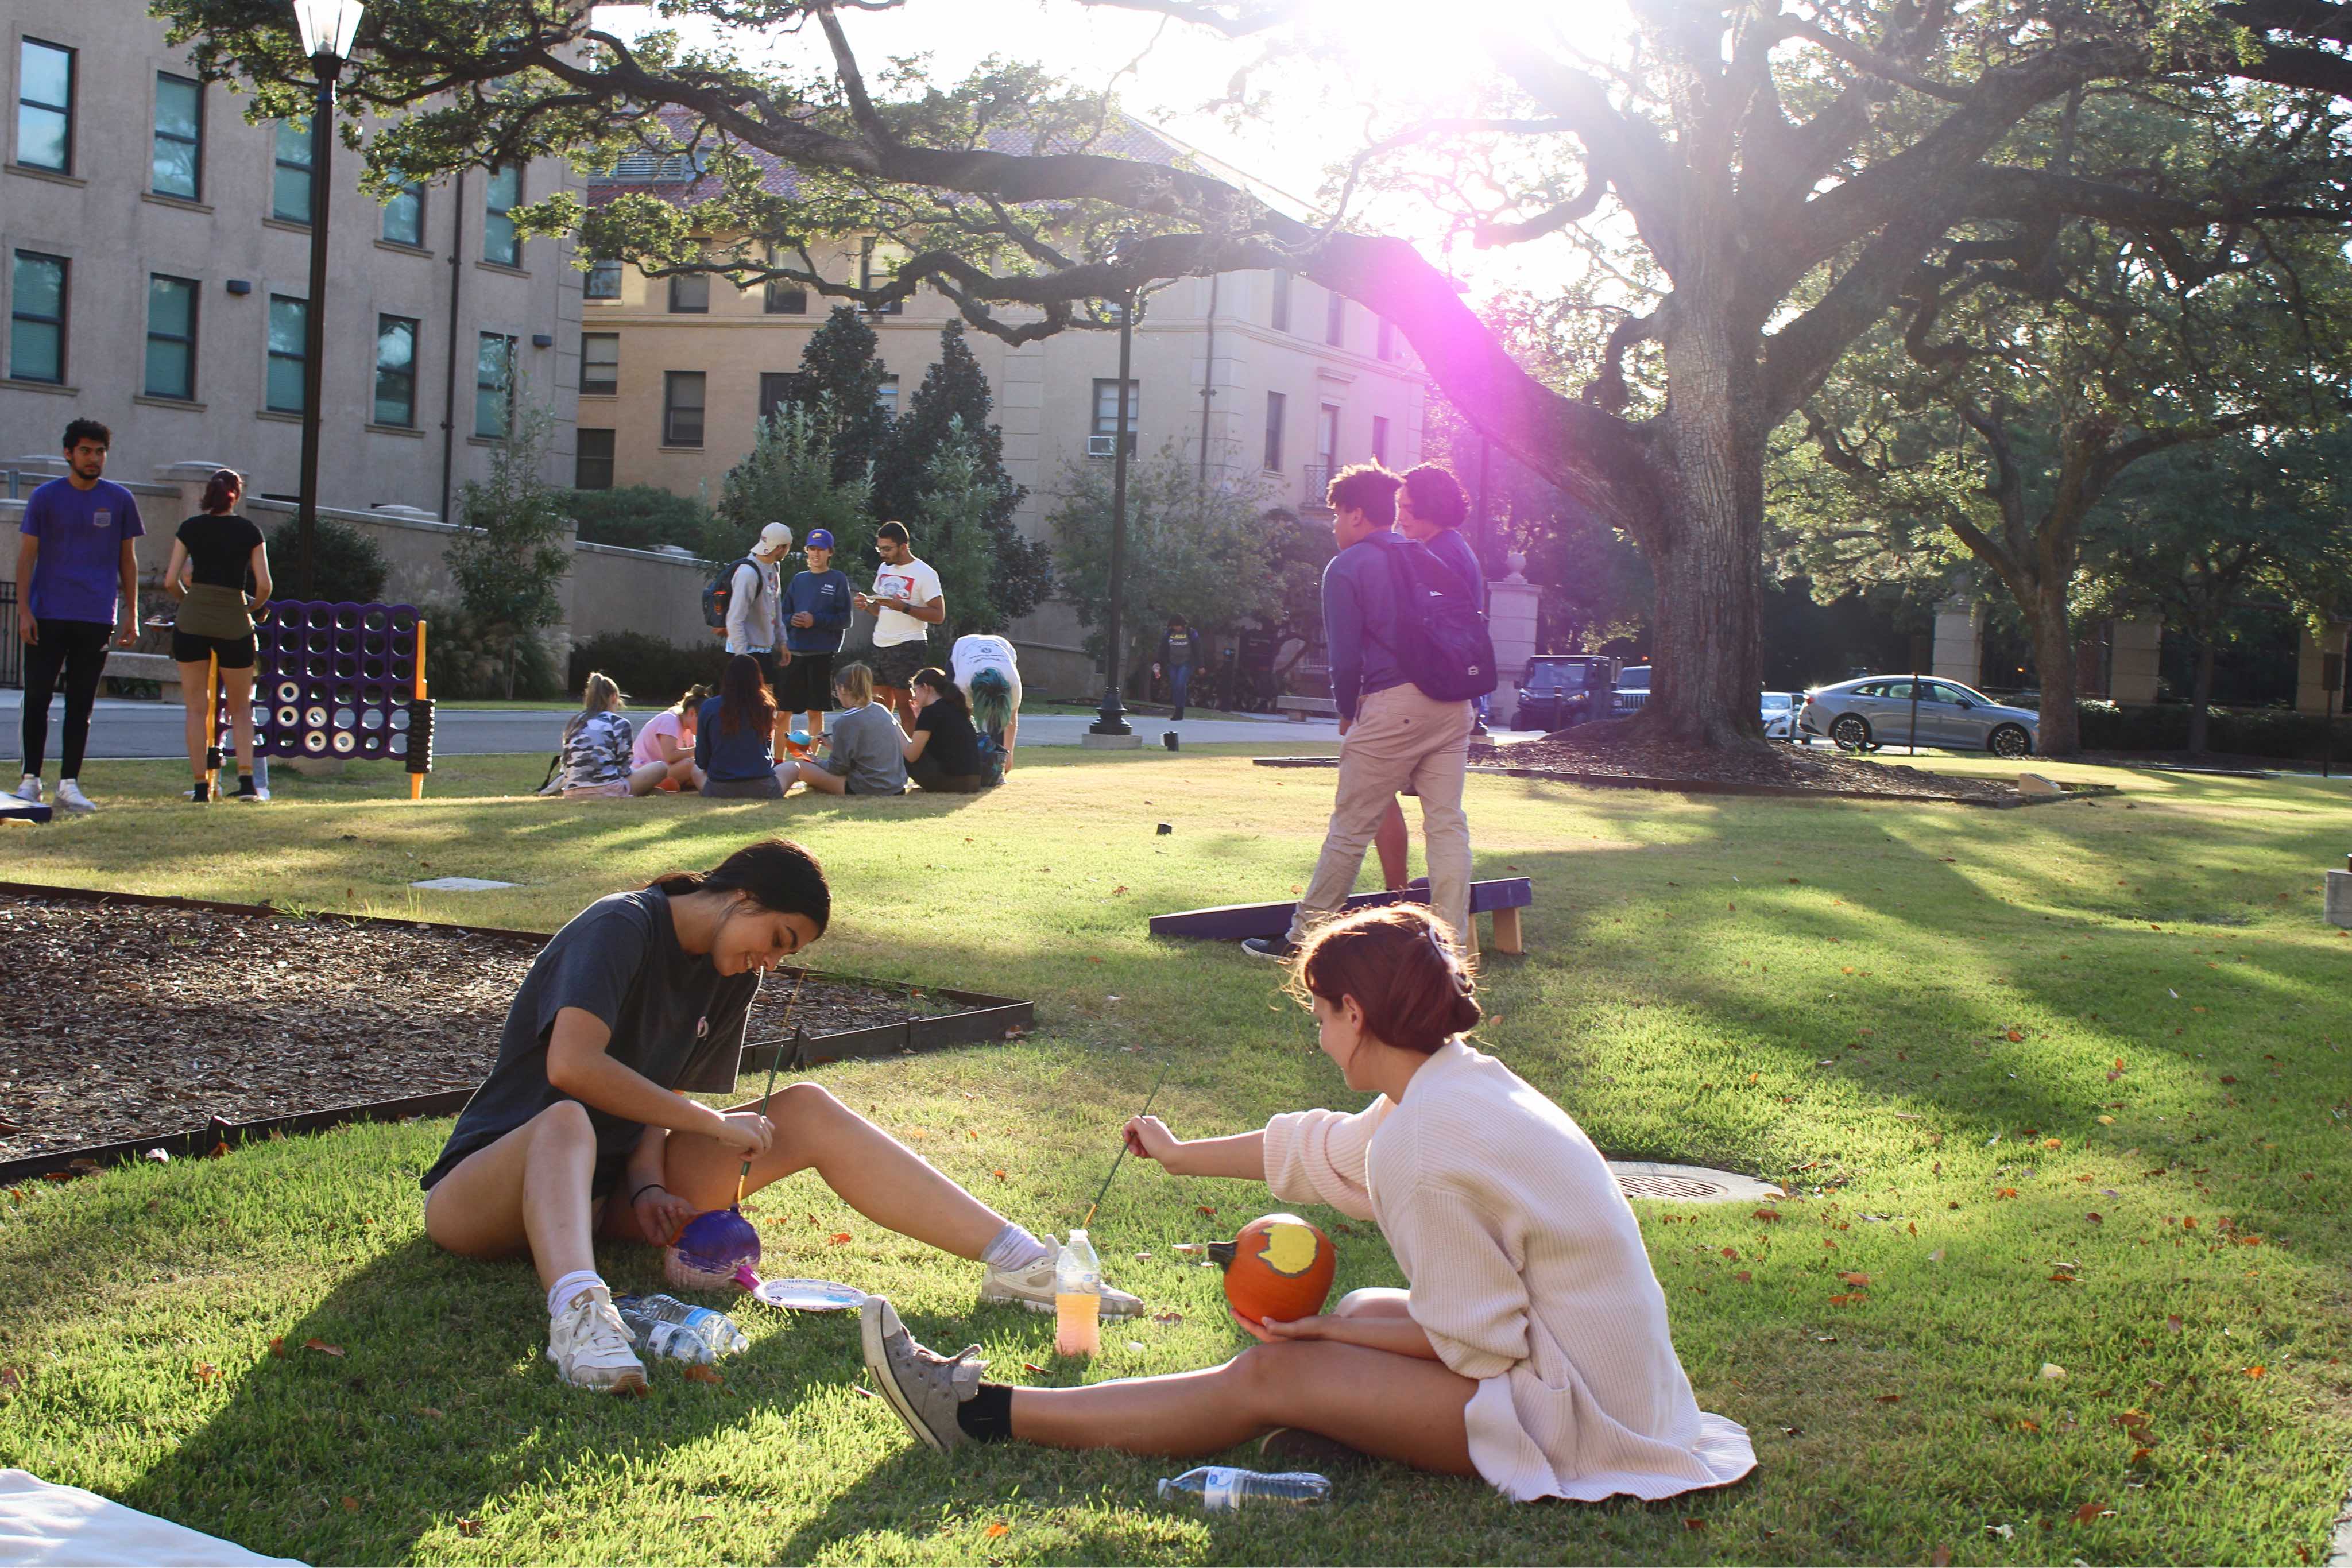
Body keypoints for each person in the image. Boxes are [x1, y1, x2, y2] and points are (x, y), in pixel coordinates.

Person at [858, 903, 1757, 1501]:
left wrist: (1323, 1337)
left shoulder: (1424, 1145)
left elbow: (1479, 1344)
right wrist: (1180, 1158)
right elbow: (1326, 1149)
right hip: (1618, 1380)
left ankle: (981, 1410)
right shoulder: (1455, 1081)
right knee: (1363, 1302)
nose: (1321, 1034)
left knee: (1274, 1371)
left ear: (1357, 1013)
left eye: (1322, 1014)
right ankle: (1332, 1404)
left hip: (1577, 1414)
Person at [421, 838, 1144, 1393]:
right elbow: (572, 1069)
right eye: (777, 940)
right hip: (486, 1197)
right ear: (743, 896)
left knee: (807, 1109)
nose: (769, 962)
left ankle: (1020, 1263)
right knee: (566, 1120)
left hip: (601, 1199)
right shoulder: (618, 926)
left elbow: (652, 1093)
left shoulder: (727, 971)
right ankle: (581, 1320)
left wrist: (646, 1184)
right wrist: (707, 1124)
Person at [1243, 466, 1475, 961]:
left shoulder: (1347, 566)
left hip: (1395, 702)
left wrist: (1348, 711)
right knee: (1447, 823)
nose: (1332, 526)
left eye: (1335, 515)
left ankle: (1304, 937)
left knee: (1350, 825)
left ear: (1356, 513)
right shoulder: (1426, 554)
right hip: (1455, 704)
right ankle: (1449, 944)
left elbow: (1345, 657)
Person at [14, 419, 142, 814]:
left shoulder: (120, 500)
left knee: (81, 703)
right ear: (69, 453)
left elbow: (128, 561)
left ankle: (69, 784)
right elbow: (26, 557)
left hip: (95, 616)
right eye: (86, 450)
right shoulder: (45, 497)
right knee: (36, 697)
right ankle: (30, 780)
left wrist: (132, 613)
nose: (93, 458)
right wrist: (23, 610)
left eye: (100, 451)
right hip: (48, 613)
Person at [1374, 463, 1485, 890]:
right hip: (1454, 696)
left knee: (1371, 792)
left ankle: (1395, 896)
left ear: (1431, 509)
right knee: (1444, 820)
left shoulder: (1436, 554)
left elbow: (1413, 625)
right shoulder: (1457, 549)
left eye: (1408, 508)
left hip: (1422, 694)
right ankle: (1445, 920)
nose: (1401, 516)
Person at [163, 468, 270, 803]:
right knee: (240, 708)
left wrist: (190, 601)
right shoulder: (250, 531)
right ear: (236, 495)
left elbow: (171, 581)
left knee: (197, 708)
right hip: (233, 621)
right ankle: (248, 783)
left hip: (192, 622)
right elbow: (265, 585)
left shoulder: (190, 528)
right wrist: (250, 608)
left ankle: (200, 787)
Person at [852, 521, 943, 725]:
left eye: (887, 549)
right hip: (880, 643)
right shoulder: (884, 568)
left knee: (906, 704)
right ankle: (884, 752)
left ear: (904, 547)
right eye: (880, 549)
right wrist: (866, 605)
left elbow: (939, 615)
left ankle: (911, 755)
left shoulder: (924, 573)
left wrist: (903, 607)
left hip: (908, 644)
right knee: (878, 705)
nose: (882, 554)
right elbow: (880, 610)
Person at [778, 528, 853, 745]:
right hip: (794, 654)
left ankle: (811, 762)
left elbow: (845, 620)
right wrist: (792, 619)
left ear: (830, 552)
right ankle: (779, 762)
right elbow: (782, 614)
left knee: (815, 711)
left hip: (821, 654)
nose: (816, 554)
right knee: (784, 712)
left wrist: (816, 620)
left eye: (821, 550)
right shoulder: (799, 580)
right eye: (812, 549)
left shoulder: (838, 579)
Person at [791, 661, 907, 797]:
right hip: (897, 786)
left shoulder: (845, 721)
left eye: (836, 690)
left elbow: (838, 768)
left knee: (800, 768)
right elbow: (867, 752)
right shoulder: (881, 709)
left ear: (842, 689)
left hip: (869, 787)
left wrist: (814, 759)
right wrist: (834, 747)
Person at [723, 522, 793, 746]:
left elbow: (777, 609)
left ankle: (764, 756)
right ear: (781, 547)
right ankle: (740, 755)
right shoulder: (748, 573)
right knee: (741, 711)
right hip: (744, 652)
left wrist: (782, 642)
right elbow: (735, 620)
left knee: (767, 710)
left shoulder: (773, 568)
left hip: (764, 651)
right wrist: (742, 659)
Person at [694, 655, 796, 800]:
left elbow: (702, 760)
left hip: (720, 788)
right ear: (758, 678)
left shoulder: (709, 707)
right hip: (763, 787)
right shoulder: (766, 706)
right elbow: (767, 751)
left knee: (694, 770)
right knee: (793, 767)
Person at [558, 672, 671, 799]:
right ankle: (641, 790)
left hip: (572, 791)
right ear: (614, 697)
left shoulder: (574, 722)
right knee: (661, 767)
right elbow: (624, 769)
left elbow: (565, 763)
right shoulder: (619, 723)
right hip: (608, 789)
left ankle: (642, 790)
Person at [900, 667, 987, 793]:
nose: (914, 696)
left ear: (926, 687)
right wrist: (920, 719)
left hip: (950, 782)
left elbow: (912, 755)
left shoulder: (930, 712)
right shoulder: (957, 708)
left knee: (900, 752)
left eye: (915, 691)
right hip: (972, 782)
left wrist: (895, 728)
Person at [950, 632, 1022, 774]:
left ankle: (996, 764)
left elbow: (1011, 720)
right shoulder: (963, 683)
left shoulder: (1013, 683)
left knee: (998, 724)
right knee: (959, 718)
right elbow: (961, 720)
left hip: (1002, 646)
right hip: (963, 648)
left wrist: (1009, 755)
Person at [630, 684, 709, 792]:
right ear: (692, 713)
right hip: (645, 772)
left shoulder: (688, 731)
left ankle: (675, 785)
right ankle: (708, 790)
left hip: (665, 770)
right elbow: (671, 756)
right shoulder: (670, 720)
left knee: (699, 768)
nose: (705, 726)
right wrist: (700, 749)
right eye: (703, 721)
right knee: (691, 765)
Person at [1154, 614, 1198, 720]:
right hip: (1172, 663)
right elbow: (1163, 648)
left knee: (1181, 684)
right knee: (1175, 686)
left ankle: (1180, 710)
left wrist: (1201, 665)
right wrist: (1158, 662)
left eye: (1177, 626)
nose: (1176, 628)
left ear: (1182, 625)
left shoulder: (1191, 633)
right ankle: (1177, 708)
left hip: (1186, 663)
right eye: (1174, 626)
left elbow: (1198, 649)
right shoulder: (1169, 634)